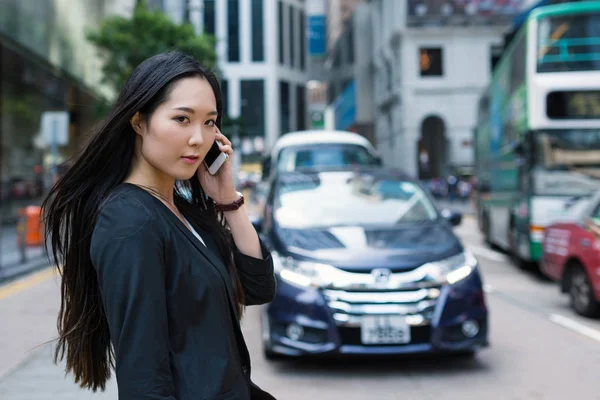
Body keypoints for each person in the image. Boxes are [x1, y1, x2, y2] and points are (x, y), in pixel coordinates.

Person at [42, 51, 277, 400]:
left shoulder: (181, 209)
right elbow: (144, 379)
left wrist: (228, 199)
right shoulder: (129, 221)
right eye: (182, 119)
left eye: (210, 122)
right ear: (139, 121)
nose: (199, 138)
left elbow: (259, 288)